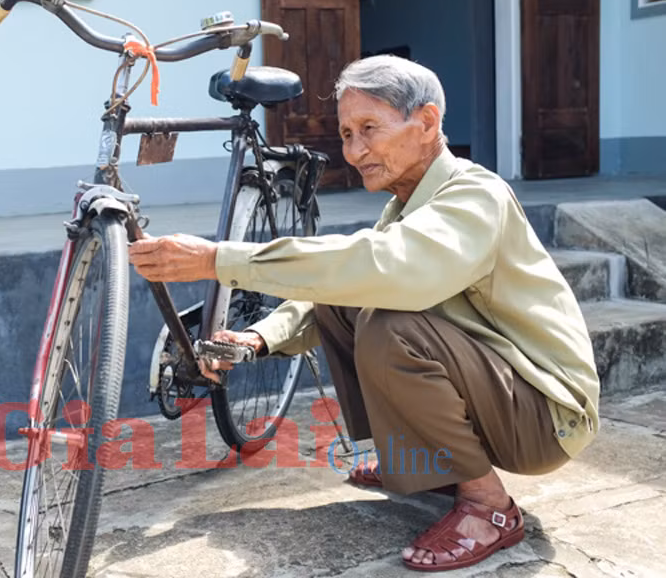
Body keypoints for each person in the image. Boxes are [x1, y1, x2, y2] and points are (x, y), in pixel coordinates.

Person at [128, 55, 600, 572]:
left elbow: (385, 267)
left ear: (426, 123)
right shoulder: (406, 205)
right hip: (505, 396)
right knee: (344, 294)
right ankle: (425, 465)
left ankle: (490, 508)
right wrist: (255, 339)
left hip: (548, 415)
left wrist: (219, 258)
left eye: (369, 129)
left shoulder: (474, 196)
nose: (354, 151)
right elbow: (332, 287)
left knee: (390, 325)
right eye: (348, 134)